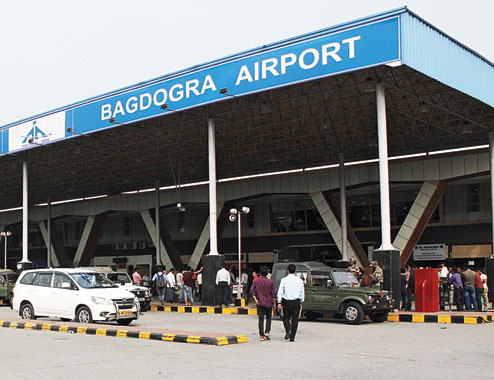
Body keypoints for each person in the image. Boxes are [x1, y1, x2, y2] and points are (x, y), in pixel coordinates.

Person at [277, 264, 305, 342]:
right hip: (296, 301)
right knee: (295, 319)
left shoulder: (284, 280)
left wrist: (279, 301)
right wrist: (301, 301)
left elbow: (280, 291)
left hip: (287, 301)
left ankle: (288, 329)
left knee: (286, 317)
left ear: (288, 270)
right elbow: (302, 292)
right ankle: (292, 337)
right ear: (295, 271)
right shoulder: (300, 280)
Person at [250, 266, 276, 341]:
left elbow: (251, 291)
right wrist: (274, 303)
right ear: (267, 273)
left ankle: (261, 335)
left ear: (260, 273)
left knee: (261, 319)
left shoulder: (256, 281)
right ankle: (267, 332)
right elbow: (273, 294)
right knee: (268, 318)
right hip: (268, 303)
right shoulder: (271, 282)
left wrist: (255, 300)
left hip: (260, 303)